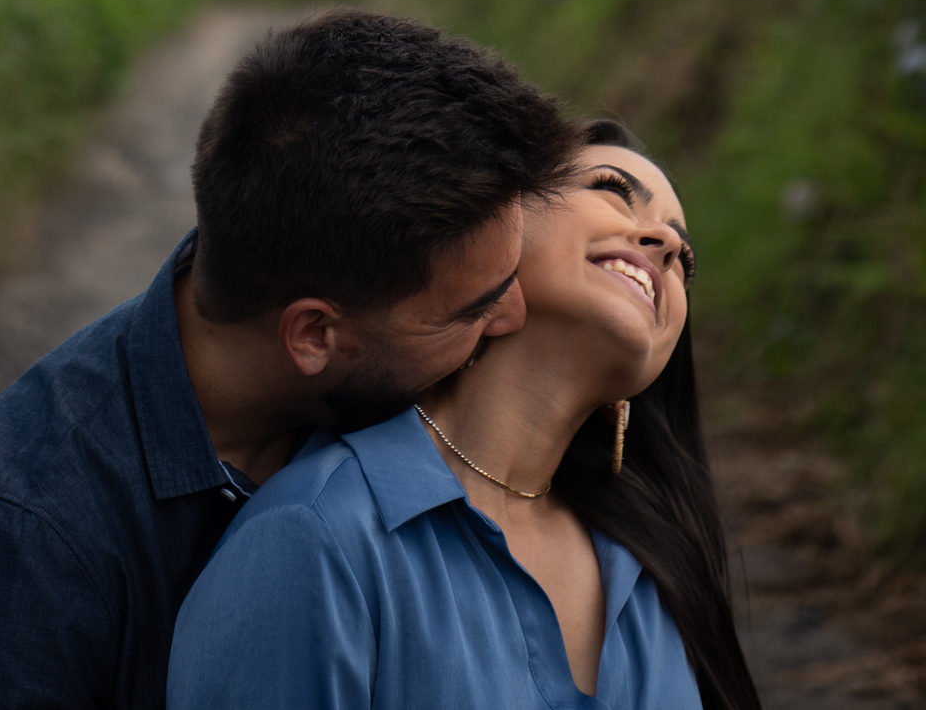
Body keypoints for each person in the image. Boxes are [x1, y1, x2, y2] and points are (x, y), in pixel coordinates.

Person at [0, 8, 577, 709]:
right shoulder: (13, 549)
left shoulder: (393, 394)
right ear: (314, 336)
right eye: (472, 309)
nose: (514, 316)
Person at [167, 120, 762, 710]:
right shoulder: (312, 534)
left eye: (685, 257)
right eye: (611, 190)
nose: (665, 244)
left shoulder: (651, 573)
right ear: (491, 228)